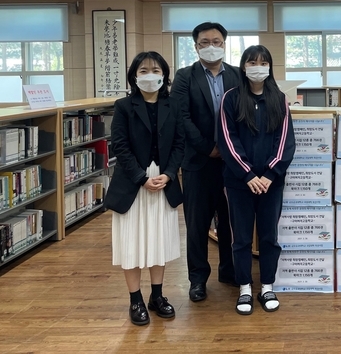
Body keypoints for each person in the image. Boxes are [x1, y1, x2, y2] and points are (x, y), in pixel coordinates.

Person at [104, 51, 184, 326]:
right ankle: (135, 299)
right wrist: (141, 178)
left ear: (164, 75)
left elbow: (179, 144)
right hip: (133, 183)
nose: (150, 75)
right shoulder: (124, 106)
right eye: (143, 71)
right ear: (134, 76)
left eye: (156, 70)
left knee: (159, 240)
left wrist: (169, 174)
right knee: (133, 242)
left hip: (163, 181)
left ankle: (157, 296)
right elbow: (120, 146)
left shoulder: (173, 105)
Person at [218, 45, 295, 315]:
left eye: (263, 63)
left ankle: (267, 286)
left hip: (271, 183)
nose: (258, 68)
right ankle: (244, 287)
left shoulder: (279, 99)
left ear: (270, 67)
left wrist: (270, 174)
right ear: (243, 66)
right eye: (252, 63)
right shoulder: (230, 98)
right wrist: (248, 174)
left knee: (269, 236)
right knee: (240, 238)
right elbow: (227, 140)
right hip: (239, 182)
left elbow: (285, 141)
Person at [171, 22, 240, 302]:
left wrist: (228, 148)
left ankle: (229, 270)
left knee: (230, 221)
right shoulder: (184, 76)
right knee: (197, 224)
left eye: (216, 41)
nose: (211, 47)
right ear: (196, 46)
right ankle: (198, 279)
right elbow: (181, 116)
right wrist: (208, 147)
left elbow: (243, 114)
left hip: (231, 163)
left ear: (224, 44)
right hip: (197, 162)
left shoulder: (237, 75)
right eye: (205, 42)